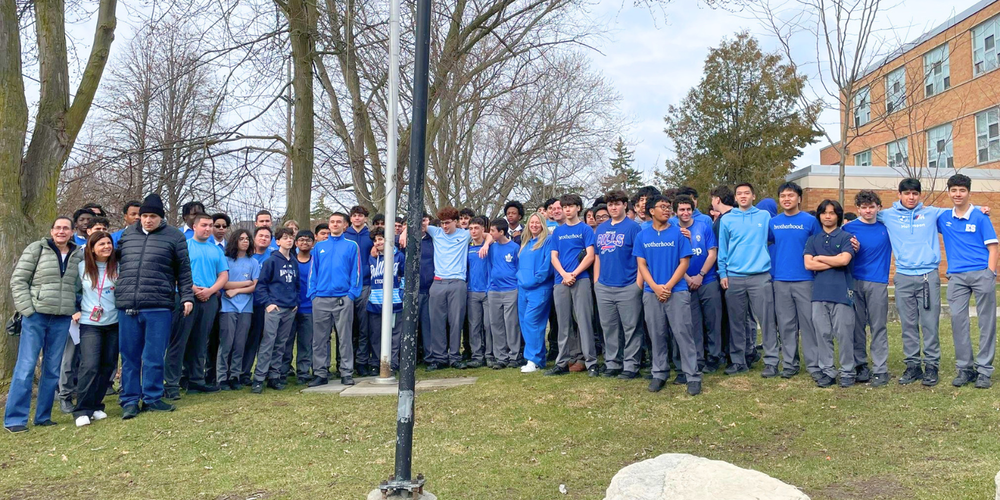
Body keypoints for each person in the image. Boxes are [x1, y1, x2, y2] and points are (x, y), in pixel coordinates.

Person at [878, 178, 971, 386]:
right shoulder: (887, 215)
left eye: (915, 193)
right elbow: (864, 218)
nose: (911, 197)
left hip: (928, 276)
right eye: (907, 193)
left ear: (919, 195)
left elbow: (959, 212)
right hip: (902, 276)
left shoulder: (932, 213)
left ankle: (931, 366)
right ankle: (912, 366)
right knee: (908, 324)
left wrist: (980, 209)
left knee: (929, 323)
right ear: (899, 195)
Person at [116, 194, 194, 419]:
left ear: (161, 217)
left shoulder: (175, 236)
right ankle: (129, 400)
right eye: (144, 216)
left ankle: (152, 397)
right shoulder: (127, 235)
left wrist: (187, 296)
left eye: (152, 216)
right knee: (129, 356)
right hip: (128, 304)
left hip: (159, 305)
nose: (147, 220)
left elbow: (184, 270)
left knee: (153, 355)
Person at [4, 217, 83, 433]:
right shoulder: (36, 249)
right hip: (35, 316)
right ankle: (15, 419)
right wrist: (27, 310)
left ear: (72, 232)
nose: (61, 231)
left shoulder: (78, 254)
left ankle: (43, 416)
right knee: (26, 366)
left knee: (52, 369)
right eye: (57, 228)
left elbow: (79, 287)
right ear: (51, 231)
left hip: (62, 318)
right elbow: (18, 280)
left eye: (66, 228)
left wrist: (76, 307)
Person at [634, 195, 701, 396]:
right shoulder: (642, 236)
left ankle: (692, 376)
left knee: (683, 334)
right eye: (662, 206)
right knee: (656, 335)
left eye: (668, 207)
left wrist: (668, 286)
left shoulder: (679, 234)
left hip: (677, 291)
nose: (667, 210)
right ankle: (659, 373)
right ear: (651, 211)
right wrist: (654, 287)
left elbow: (684, 263)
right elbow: (641, 264)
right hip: (651, 293)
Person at [937, 174, 998, 389]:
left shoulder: (981, 217)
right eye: (954, 190)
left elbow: (993, 247)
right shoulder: (943, 218)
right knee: (958, 321)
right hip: (957, 277)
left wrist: (990, 274)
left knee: (986, 322)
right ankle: (965, 369)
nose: (958, 194)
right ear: (949, 192)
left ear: (968, 192)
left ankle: (984, 370)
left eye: (962, 190)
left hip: (982, 273)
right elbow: (920, 217)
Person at [164, 214, 229, 398]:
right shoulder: (184, 246)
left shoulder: (216, 250)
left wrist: (210, 291)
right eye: (204, 225)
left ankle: (196, 380)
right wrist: (192, 289)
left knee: (201, 341)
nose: (207, 229)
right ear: (194, 226)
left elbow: (223, 275)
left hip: (209, 300)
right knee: (179, 341)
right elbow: (175, 273)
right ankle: (172, 384)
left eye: (210, 225)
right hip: (186, 297)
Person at [420, 206, 490, 370]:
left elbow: (487, 235)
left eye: (448, 223)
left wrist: (486, 245)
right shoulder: (435, 232)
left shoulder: (465, 235)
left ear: (456, 222)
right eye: (442, 223)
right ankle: (439, 358)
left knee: (456, 321)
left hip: (457, 283)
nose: (444, 226)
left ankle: (454, 356)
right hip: (438, 283)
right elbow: (416, 225)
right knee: (437, 322)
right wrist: (402, 234)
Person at [717, 183, 773, 375]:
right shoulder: (727, 219)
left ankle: (771, 361)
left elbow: (775, 239)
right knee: (736, 322)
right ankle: (738, 361)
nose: (743, 196)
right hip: (734, 277)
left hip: (760, 276)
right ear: (735, 197)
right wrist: (723, 273)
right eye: (739, 193)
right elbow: (722, 248)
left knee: (766, 320)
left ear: (753, 196)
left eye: (746, 193)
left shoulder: (764, 217)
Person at [767, 181, 820, 380]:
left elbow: (818, 246)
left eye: (790, 195)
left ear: (799, 198)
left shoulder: (810, 221)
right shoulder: (773, 222)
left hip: (805, 280)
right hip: (780, 279)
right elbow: (768, 243)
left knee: (808, 324)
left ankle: (814, 364)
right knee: (786, 324)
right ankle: (789, 364)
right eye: (783, 196)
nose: (786, 199)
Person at [804, 200, 856, 388]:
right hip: (819, 293)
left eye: (832, 213)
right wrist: (834, 261)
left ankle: (848, 371)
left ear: (838, 216)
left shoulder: (846, 237)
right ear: (819, 215)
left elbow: (845, 260)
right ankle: (827, 371)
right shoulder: (813, 239)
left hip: (842, 292)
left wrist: (821, 258)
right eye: (824, 213)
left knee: (844, 334)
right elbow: (808, 264)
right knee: (823, 333)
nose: (828, 216)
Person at [546, 193, 600, 377]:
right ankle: (562, 362)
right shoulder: (558, 232)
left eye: (570, 206)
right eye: (564, 207)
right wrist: (564, 274)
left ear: (578, 208)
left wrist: (574, 274)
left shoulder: (585, 229)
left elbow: (590, 256)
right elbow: (553, 256)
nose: (567, 210)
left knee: (584, 322)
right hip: (560, 281)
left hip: (581, 279)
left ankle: (591, 362)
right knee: (563, 324)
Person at [593, 190, 643, 379]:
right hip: (605, 286)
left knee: (631, 328)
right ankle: (613, 363)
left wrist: (638, 284)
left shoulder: (633, 228)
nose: (613, 207)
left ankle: (631, 365)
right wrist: (596, 282)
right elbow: (597, 256)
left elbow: (640, 258)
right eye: (610, 204)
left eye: (617, 204)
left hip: (628, 285)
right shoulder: (602, 229)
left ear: (624, 205)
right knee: (609, 327)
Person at [844, 190, 892, 387]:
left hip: (878, 282)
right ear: (858, 209)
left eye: (872, 207)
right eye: (864, 207)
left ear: (878, 208)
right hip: (854, 281)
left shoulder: (886, 228)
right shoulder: (849, 229)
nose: (868, 210)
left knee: (878, 326)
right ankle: (860, 365)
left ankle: (880, 368)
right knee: (856, 326)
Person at [71, 231, 119, 427]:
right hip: (90, 324)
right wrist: (75, 310)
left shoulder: (118, 267)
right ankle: (82, 409)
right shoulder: (82, 268)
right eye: (102, 244)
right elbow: (72, 291)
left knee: (107, 366)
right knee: (90, 365)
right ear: (92, 248)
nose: (107, 246)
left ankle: (97, 405)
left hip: (114, 323)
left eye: (109, 243)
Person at [309, 212, 362, 387]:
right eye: (332, 222)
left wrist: (351, 294)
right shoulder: (319, 247)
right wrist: (313, 294)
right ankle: (320, 372)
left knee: (345, 337)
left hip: (343, 298)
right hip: (321, 299)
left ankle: (346, 372)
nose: (335, 224)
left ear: (344, 225)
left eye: (338, 222)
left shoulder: (351, 246)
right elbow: (313, 271)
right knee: (319, 339)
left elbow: (356, 271)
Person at [675, 195, 723, 374]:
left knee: (713, 321)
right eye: (681, 210)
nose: (685, 213)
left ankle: (714, 357)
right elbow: (675, 258)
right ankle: (698, 359)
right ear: (676, 212)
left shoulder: (704, 226)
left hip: (707, 280)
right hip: (685, 283)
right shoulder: (673, 229)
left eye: (688, 209)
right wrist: (688, 278)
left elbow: (712, 253)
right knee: (693, 324)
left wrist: (701, 275)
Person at [252, 227, 299, 393]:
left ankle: (274, 376)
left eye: (291, 238)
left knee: (281, 344)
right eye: (285, 238)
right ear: (277, 241)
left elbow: (296, 284)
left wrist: (295, 302)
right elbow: (261, 285)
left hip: (289, 308)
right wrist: (268, 303)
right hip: (274, 307)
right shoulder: (271, 261)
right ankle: (258, 378)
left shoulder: (293, 261)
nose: (289, 240)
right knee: (268, 342)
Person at [217, 229, 259, 390]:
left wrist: (237, 290)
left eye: (247, 239)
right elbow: (224, 283)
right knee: (226, 343)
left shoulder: (253, 262)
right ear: (235, 241)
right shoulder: (225, 260)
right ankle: (222, 377)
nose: (245, 241)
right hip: (228, 307)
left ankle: (235, 375)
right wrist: (244, 284)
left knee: (240, 343)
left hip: (246, 308)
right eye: (241, 239)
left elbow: (254, 285)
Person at [518, 213, 554, 372]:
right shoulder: (525, 242)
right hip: (523, 289)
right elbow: (519, 266)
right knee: (525, 323)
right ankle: (537, 358)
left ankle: (533, 360)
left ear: (543, 224)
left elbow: (547, 266)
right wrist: (520, 279)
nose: (534, 225)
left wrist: (534, 280)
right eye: (531, 222)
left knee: (533, 322)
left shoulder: (547, 241)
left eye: (537, 222)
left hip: (539, 289)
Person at [344, 206, 376, 376]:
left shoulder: (370, 236)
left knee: (364, 326)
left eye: (360, 216)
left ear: (365, 218)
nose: (357, 218)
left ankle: (362, 361)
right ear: (350, 218)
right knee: (347, 327)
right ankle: (346, 362)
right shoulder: (344, 235)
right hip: (347, 287)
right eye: (354, 215)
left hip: (365, 284)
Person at [484, 218, 520, 369]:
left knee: (511, 323)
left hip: (511, 290)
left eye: (493, 231)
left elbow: (518, 267)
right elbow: (489, 266)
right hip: (494, 291)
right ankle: (501, 357)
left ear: (501, 232)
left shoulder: (515, 247)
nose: (490, 233)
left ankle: (514, 355)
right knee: (496, 323)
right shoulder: (491, 248)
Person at [241, 227, 274, 385]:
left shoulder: (273, 256)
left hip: (265, 305)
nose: (264, 238)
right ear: (254, 238)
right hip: (247, 303)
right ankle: (243, 372)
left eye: (267, 236)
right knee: (248, 341)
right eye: (261, 236)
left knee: (265, 340)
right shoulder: (247, 256)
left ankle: (263, 372)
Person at [368, 230, 405, 372]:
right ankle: (378, 363)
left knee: (394, 336)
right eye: (376, 240)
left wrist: (401, 293)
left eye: (381, 239)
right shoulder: (371, 257)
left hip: (394, 303)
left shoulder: (399, 256)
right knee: (376, 335)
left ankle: (393, 363)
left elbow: (404, 275)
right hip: (375, 303)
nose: (378, 242)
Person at [282, 230, 315, 384]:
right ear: (296, 243)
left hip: (309, 308)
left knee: (305, 343)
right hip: (290, 308)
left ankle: (303, 372)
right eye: (301, 240)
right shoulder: (289, 261)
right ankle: (283, 371)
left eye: (308, 240)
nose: (304, 243)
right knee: (286, 342)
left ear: (313, 243)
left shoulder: (316, 261)